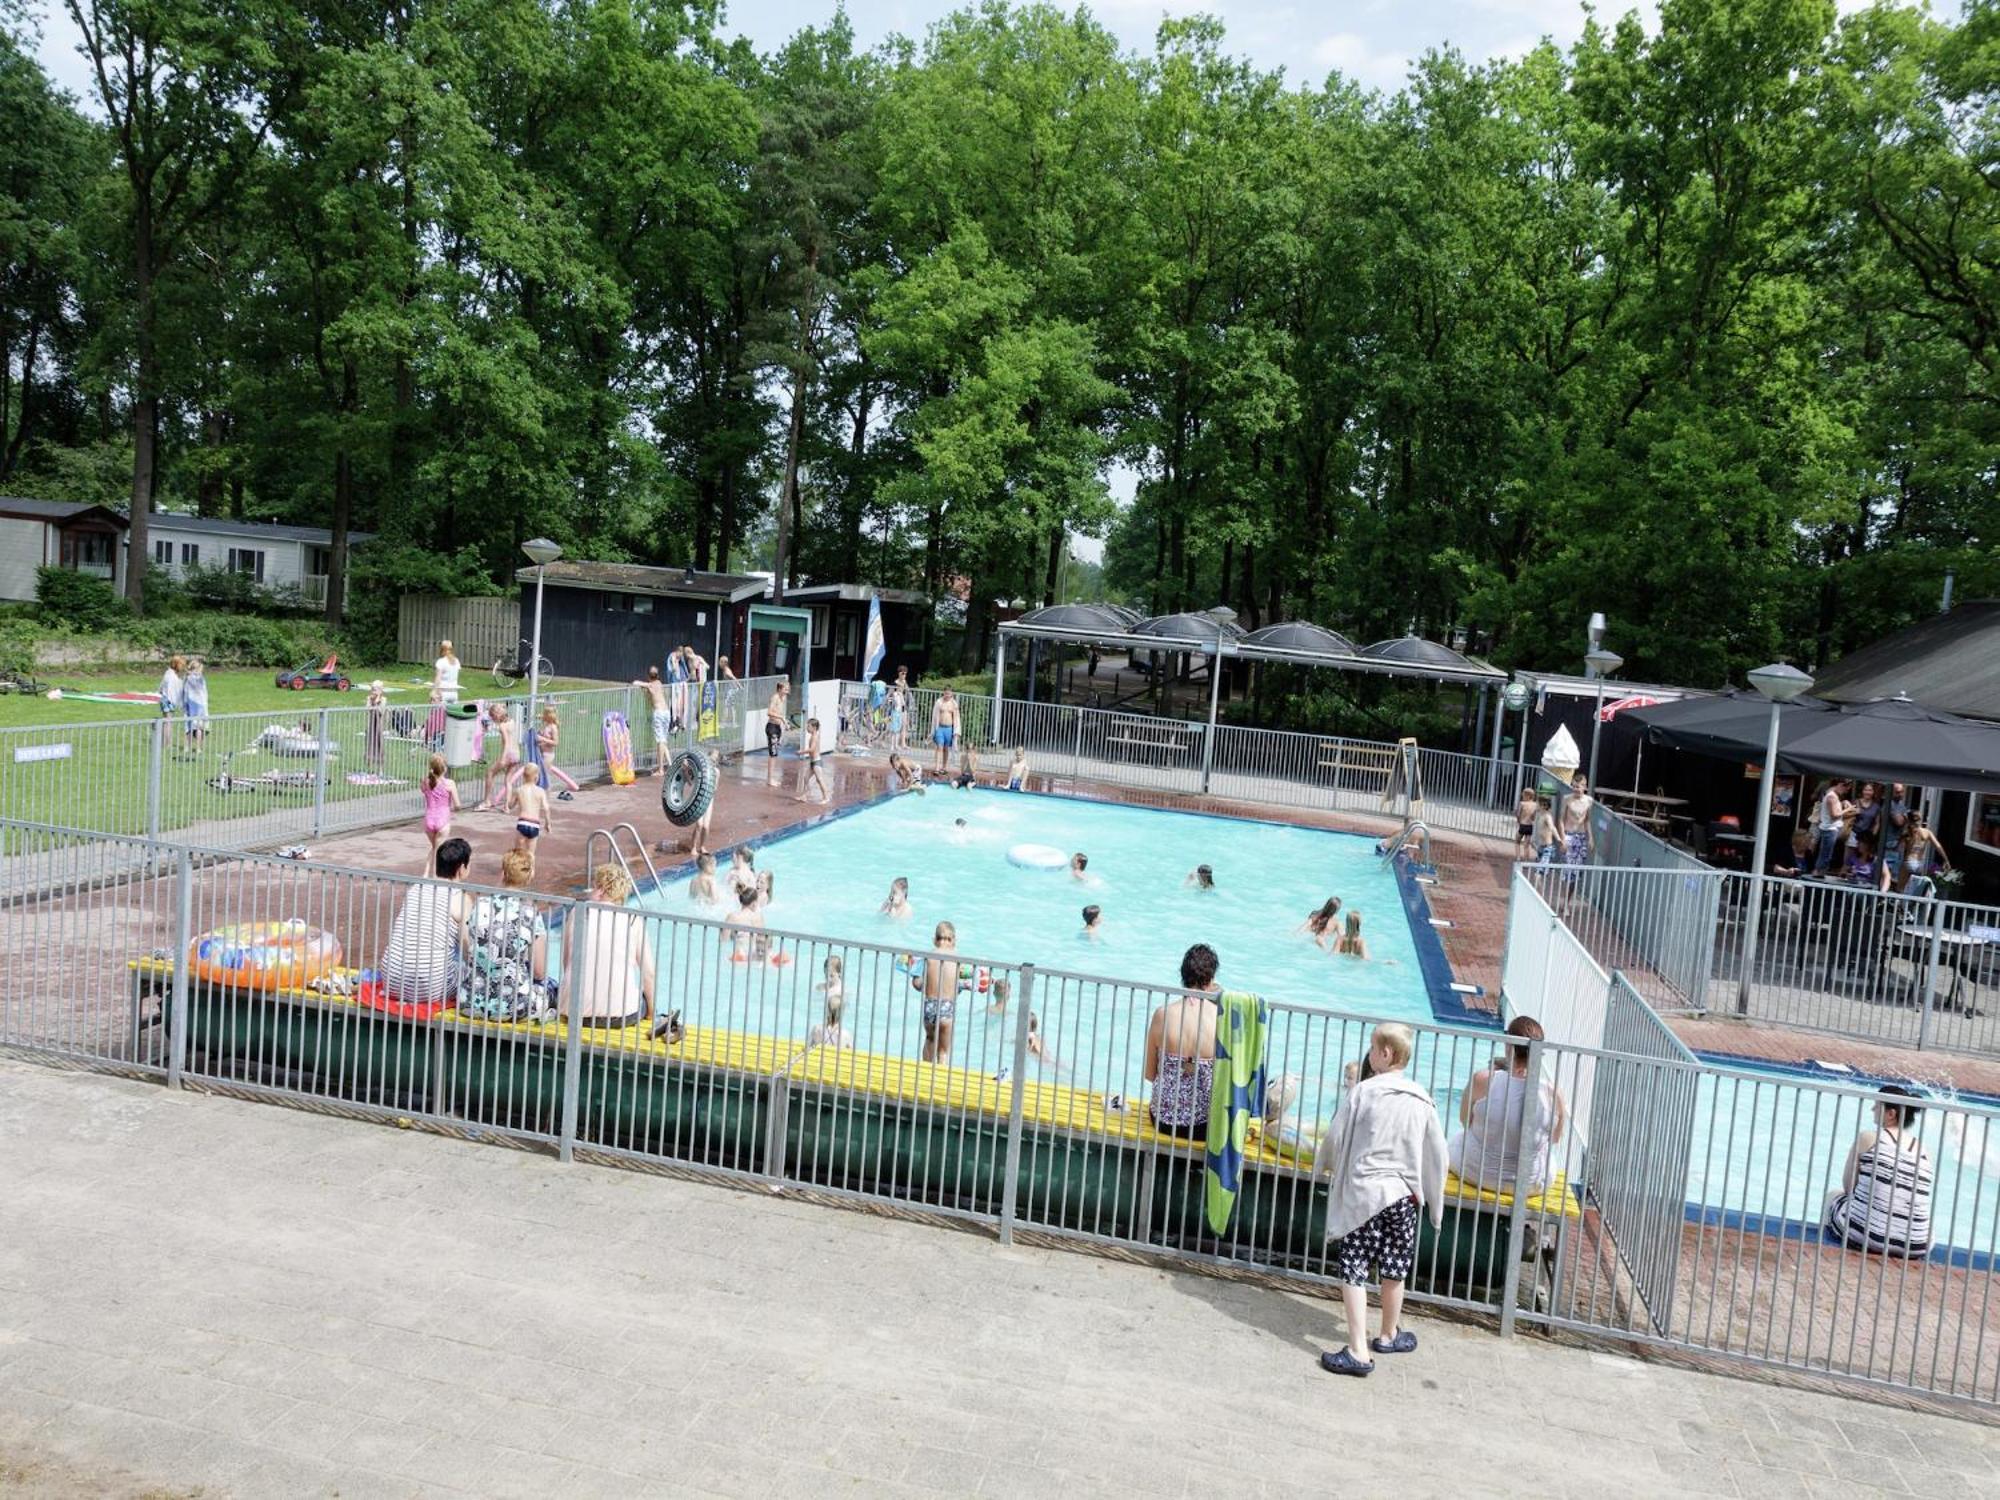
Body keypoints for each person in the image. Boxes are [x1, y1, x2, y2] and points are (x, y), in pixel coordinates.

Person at [1311, 1022, 1448, 1378]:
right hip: (1404, 1197)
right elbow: (1437, 1156)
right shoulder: (1422, 1099)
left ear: (1386, 1054)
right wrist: (1435, 1203)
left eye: (1372, 1050)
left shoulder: (1363, 1092)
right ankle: (1388, 1334)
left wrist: (1322, 1168)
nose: (1370, 1056)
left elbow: (1335, 1138)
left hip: (1365, 1194)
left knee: (1354, 1267)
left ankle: (1358, 1350)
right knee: (1395, 1266)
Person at [1447, 1016, 1567, 1191]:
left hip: (1474, 1173)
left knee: (1457, 1137)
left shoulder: (1483, 1079)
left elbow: (1465, 1121)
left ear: (1508, 1045)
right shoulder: (1552, 1093)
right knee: (1548, 1155)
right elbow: (1555, 1139)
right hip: (1529, 1184)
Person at [1824, 1084, 1934, 1258]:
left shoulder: (1869, 1138)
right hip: (1917, 1245)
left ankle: (1828, 1253)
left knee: (1833, 1196)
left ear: (1891, 1114)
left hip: (1869, 1237)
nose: (1872, 1109)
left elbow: (1848, 1187)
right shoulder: (1923, 1150)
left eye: (1876, 1105)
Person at [458, 849, 553, 1021]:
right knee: (550, 987)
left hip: (471, 1001)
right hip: (514, 1005)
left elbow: (469, 951)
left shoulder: (480, 905)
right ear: (530, 876)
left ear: (503, 873)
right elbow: (539, 971)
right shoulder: (530, 914)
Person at [381, 836, 474, 1004]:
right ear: (461, 868)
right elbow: (469, 946)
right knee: (464, 963)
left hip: (391, 978)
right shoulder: (459, 897)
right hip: (429, 986)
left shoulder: (417, 888)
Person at [1144, 944, 1221, 1138]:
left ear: (1183, 976)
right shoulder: (1221, 1019)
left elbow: (1150, 1074)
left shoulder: (1162, 1015)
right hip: (1204, 1125)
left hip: (1163, 1120)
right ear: (1211, 980)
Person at [571, 864, 656, 1027]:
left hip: (576, 1011)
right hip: (621, 1015)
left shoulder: (578, 913)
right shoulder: (633, 920)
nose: (589, 892)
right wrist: (651, 1013)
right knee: (643, 998)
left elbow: (568, 962)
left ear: (600, 890)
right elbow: (649, 973)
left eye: (593, 887)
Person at [915, 920, 961, 1063]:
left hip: (930, 1005)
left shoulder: (928, 957)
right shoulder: (957, 960)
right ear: (953, 941)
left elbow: (917, 984)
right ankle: (939, 1081)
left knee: (930, 1040)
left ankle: (924, 1076)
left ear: (935, 940)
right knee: (943, 1051)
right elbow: (956, 988)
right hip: (947, 1006)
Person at [419, 754, 462, 876]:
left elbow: (424, 789)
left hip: (429, 820)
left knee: (434, 848)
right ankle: (434, 877)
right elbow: (458, 804)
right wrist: (455, 808)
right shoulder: (449, 783)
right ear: (445, 768)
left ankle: (425, 874)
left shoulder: (425, 782)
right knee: (439, 851)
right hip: (442, 820)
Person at [477, 704, 521, 810]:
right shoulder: (512, 721)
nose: (492, 719)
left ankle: (487, 801)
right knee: (508, 780)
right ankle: (507, 806)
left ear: (496, 715)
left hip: (508, 753)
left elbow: (506, 742)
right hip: (517, 753)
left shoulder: (502, 726)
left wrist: (503, 757)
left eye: (493, 717)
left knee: (490, 773)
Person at [1896, 811, 1952, 891]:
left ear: (1909, 821)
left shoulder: (1907, 833)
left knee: (1900, 888)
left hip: (1908, 862)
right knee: (1914, 890)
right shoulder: (1927, 832)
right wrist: (1946, 860)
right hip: (1919, 865)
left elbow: (1898, 849)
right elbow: (1938, 846)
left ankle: (1900, 902)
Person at [1811, 778, 1854, 875]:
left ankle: (1819, 873)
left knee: (1825, 853)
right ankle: (1818, 873)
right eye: (1846, 789)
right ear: (1841, 785)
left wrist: (1843, 803)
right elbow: (1835, 815)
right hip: (1829, 829)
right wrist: (1849, 809)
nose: (1845, 791)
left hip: (1830, 828)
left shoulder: (1832, 794)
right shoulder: (1832, 797)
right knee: (1825, 854)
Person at [635, 666, 672, 777]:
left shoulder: (650, 685)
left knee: (660, 741)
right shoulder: (659, 683)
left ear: (648, 676)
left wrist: (644, 686)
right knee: (663, 740)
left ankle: (661, 769)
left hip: (659, 713)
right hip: (666, 713)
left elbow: (635, 683)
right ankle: (670, 763)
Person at [507, 763, 550, 856]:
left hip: (523, 822)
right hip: (534, 823)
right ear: (536, 776)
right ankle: (531, 870)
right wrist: (548, 824)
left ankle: (516, 869)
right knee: (531, 855)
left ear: (523, 776)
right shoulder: (541, 791)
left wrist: (510, 794)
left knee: (518, 854)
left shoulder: (519, 790)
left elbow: (510, 806)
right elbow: (546, 808)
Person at [535, 706, 579, 798]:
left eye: (545, 713)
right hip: (541, 753)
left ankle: (545, 797)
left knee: (544, 775)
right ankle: (540, 795)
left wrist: (542, 738)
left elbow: (555, 742)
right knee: (539, 774)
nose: (543, 715)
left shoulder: (553, 727)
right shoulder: (546, 726)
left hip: (548, 755)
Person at [808, 957, 851, 1049]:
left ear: (839, 974)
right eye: (826, 974)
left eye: (831, 976)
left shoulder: (842, 991)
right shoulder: (820, 987)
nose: (828, 978)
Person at [721, 884, 766, 962]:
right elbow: (762, 940)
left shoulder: (732, 917)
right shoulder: (759, 917)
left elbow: (723, 940)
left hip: (738, 955)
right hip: (754, 954)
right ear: (754, 903)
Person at [1560, 771, 1595, 867]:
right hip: (1569, 834)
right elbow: (1561, 820)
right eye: (1574, 786)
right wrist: (1563, 839)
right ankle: (1567, 882)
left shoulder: (1589, 801)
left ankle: (1573, 882)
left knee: (1579, 866)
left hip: (1581, 836)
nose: (1575, 789)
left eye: (1578, 787)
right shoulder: (1567, 799)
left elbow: (1587, 820)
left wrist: (1591, 838)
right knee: (1568, 865)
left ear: (1584, 787)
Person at [794, 716, 829, 804]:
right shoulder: (813, 736)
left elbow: (812, 749)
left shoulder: (815, 737)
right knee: (806, 778)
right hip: (812, 762)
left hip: (817, 762)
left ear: (814, 728)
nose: (807, 728)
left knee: (819, 779)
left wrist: (801, 752)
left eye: (808, 726)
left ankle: (826, 797)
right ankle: (805, 795)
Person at [764, 680, 790, 786]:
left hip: (777, 727)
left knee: (775, 754)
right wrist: (782, 718)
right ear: (779, 689)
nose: (787, 691)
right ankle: (770, 780)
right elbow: (769, 712)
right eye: (785, 689)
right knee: (773, 754)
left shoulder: (783, 698)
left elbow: (779, 712)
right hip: (772, 727)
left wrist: (785, 723)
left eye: (788, 689)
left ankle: (771, 778)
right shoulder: (775, 698)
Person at [182, 658, 210, 753]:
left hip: (189, 704)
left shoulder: (187, 678)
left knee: (189, 726)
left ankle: (187, 747)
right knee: (199, 727)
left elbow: (184, 691)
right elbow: (204, 693)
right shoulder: (200, 678)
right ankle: (198, 748)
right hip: (200, 705)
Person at [930, 687, 961, 774]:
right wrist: (933, 730)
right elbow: (935, 715)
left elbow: (957, 718)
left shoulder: (954, 704)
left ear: (951, 694)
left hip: (949, 728)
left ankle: (944, 767)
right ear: (943, 693)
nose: (947, 695)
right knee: (939, 747)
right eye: (945, 693)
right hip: (940, 727)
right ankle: (937, 767)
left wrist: (956, 732)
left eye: (948, 693)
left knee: (946, 748)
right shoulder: (939, 702)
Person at [363, 678, 386, 768]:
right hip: (370, 725)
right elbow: (367, 709)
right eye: (372, 689)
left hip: (379, 726)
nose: (373, 691)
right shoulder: (369, 698)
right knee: (369, 743)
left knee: (380, 745)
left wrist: (377, 703)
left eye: (375, 689)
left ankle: (380, 767)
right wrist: (372, 702)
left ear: (380, 690)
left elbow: (381, 711)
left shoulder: (383, 699)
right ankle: (368, 765)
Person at [158, 654, 185, 725]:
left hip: (165, 699)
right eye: (182, 665)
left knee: (166, 721)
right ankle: (167, 736)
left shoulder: (168, 673)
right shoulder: (172, 676)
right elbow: (174, 688)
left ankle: (165, 736)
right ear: (177, 665)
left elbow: (161, 687)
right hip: (168, 700)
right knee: (168, 722)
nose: (182, 668)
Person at [1533, 796, 1560, 865]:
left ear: (1543, 805)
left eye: (1537, 803)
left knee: (1540, 870)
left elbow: (1552, 827)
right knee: (1540, 869)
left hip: (1547, 847)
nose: (1535, 805)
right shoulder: (1540, 815)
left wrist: (1558, 839)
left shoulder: (1547, 816)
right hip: (1541, 847)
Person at [1515, 787, 1539, 861]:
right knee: (1526, 845)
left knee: (1517, 841)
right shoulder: (1535, 805)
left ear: (1528, 796)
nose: (1522, 796)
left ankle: (1518, 857)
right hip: (1530, 826)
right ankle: (1526, 860)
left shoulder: (1522, 803)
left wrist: (1518, 821)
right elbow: (1533, 817)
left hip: (1523, 825)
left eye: (1523, 795)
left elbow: (1518, 814)